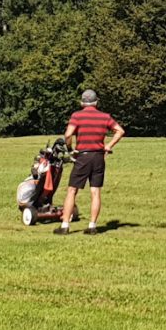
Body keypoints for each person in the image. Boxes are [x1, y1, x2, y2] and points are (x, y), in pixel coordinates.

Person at [55, 89, 125, 236]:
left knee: (72, 190)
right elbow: (120, 131)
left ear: (82, 102)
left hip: (83, 156)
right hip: (99, 157)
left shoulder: (77, 116)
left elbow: (68, 134)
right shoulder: (104, 116)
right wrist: (108, 146)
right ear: (96, 102)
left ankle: (65, 225)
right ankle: (92, 226)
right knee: (95, 191)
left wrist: (69, 148)